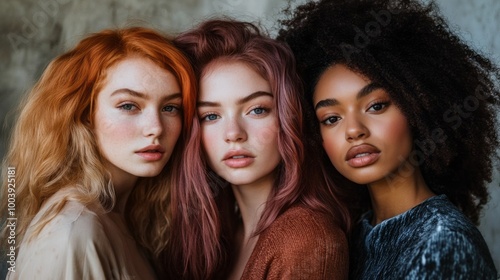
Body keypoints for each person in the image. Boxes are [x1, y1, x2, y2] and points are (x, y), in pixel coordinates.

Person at [278, 0, 500, 279]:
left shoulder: (444, 243)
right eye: (331, 118)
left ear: (419, 107)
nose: (354, 130)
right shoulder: (354, 235)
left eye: (376, 106)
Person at [1, 27, 196, 279]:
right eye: (128, 105)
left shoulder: (122, 216)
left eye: (170, 107)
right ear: (85, 115)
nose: (156, 128)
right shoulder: (74, 231)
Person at [164, 19, 350, 279]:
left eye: (257, 110)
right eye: (210, 116)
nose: (234, 134)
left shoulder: (306, 238)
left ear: (289, 118)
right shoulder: (218, 238)